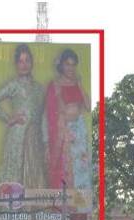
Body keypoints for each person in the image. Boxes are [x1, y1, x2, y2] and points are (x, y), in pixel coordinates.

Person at [0, 44, 46, 189]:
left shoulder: (39, 88)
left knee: (35, 174)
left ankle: (33, 210)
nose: (24, 64)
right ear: (16, 64)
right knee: (14, 174)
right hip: (17, 138)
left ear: (32, 63)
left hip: (35, 139)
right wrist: (9, 119)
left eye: (27, 60)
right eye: (20, 61)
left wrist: (46, 141)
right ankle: (11, 211)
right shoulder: (14, 85)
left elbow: (43, 115)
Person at [44, 48, 91, 191]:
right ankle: (65, 205)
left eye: (73, 65)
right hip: (63, 132)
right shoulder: (55, 85)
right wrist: (62, 127)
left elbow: (88, 106)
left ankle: (80, 205)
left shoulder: (77, 84)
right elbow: (49, 113)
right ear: (61, 65)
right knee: (65, 168)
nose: (70, 68)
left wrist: (80, 84)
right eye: (67, 64)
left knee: (81, 168)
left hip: (80, 131)